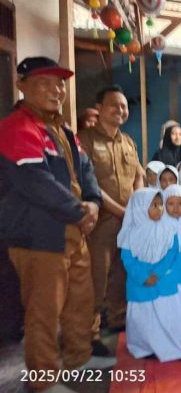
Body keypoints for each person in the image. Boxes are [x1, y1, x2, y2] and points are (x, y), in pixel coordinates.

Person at [0, 57, 112, 391]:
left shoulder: (63, 130)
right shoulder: (16, 127)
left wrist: (93, 202)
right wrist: (81, 211)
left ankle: (79, 359)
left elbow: (86, 169)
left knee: (80, 300)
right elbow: (36, 182)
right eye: (44, 83)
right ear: (21, 85)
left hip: (73, 230)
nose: (56, 90)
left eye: (60, 84)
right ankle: (44, 379)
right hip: (39, 235)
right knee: (43, 310)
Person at [79, 84, 145, 349]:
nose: (120, 110)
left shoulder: (128, 141)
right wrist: (122, 211)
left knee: (121, 271)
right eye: (114, 105)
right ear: (100, 108)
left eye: (124, 106)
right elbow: (89, 184)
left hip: (128, 221)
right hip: (101, 222)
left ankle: (117, 318)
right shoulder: (84, 140)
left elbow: (138, 175)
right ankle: (89, 332)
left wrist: (137, 204)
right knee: (97, 275)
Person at [119, 188, 181, 362]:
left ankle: (179, 347)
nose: (160, 209)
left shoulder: (167, 228)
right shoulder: (129, 233)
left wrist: (157, 273)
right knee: (144, 319)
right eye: (154, 205)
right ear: (140, 207)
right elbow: (128, 260)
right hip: (140, 285)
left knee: (170, 316)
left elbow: (172, 252)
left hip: (163, 281)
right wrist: (143, 277)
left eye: (161, 204)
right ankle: (145, 347)